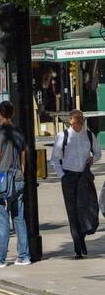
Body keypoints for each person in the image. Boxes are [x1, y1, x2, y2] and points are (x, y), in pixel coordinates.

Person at [48, 110, 101, 259]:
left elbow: (97, 152)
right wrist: (62, 176)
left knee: (88, 208)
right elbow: (55, 160)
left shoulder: (89, 135)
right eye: (76, 120)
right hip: (69, 176)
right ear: (70, 121)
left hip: (84, 176)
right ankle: (78, 246)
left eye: (81, 120)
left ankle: (83, 236)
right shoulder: (63, 136)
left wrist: (93, 159)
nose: (79, 123)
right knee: (73, 212)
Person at [0, 100, 30, 268]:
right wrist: (21, 175)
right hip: (18, 178)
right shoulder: (19, 132)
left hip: (3, 181)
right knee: (19, 219)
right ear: (13, 113)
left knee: (2, 220)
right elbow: (23, 157)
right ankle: (24, 256)